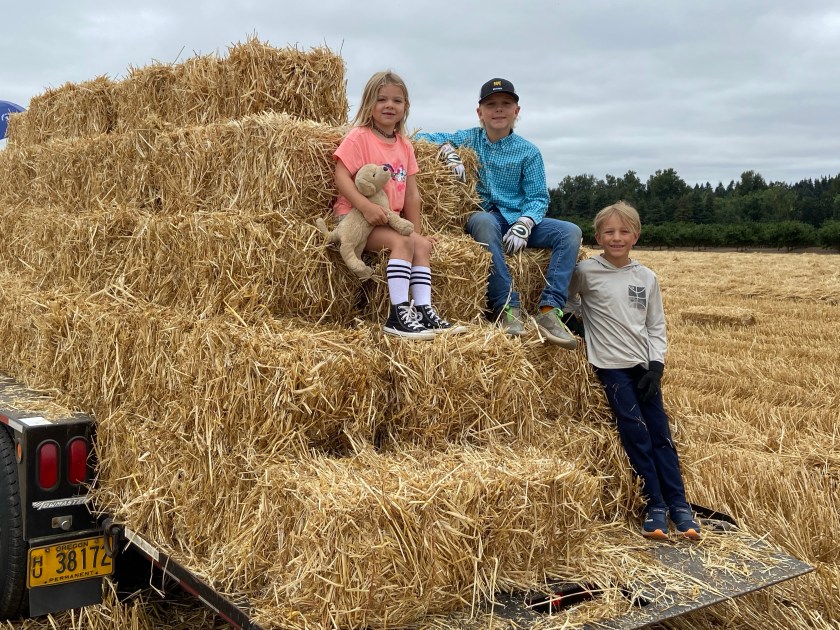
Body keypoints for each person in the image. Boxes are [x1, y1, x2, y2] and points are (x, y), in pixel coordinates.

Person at [567, 201, 702, 540]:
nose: (617, 237)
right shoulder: (585, 272)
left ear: (635, 236)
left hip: (644, 368)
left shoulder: (646, 277)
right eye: (609, 232)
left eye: (624, 231)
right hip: (611, 368)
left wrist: (656, 366)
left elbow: (656, 325)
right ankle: (654, 505)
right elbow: (567, 302)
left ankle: (680, 506)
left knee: (661, 436)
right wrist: (579, 328)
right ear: (598, 236)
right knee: (636, 435)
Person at [416, 78, 580, 348]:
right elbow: (420, 137)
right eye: (491, 105)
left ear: (517, 111)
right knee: (482, 221)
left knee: (570, 232)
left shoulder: (529, 152)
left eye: (506, 104)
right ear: (480, 112)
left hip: (519, 220)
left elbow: (538, 197)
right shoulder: (469, 139)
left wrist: (526, 222)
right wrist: (446, 149)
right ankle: (507, 308)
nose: (499, 109)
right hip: (488, 219)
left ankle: (550, 311)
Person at [333, 70, 464, 339]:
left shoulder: (405, 146)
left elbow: (412, 195)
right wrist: (365, 206)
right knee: (403, 243)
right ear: (369, 104)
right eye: (381, 99)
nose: (389, 105)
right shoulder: (359, 137)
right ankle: (397, 315)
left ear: (405, 107)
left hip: (386, 220)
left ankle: (424, 310)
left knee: (421, 245)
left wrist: (416, 232)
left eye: (397, 100)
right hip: (356, 219)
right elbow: (341, 177)